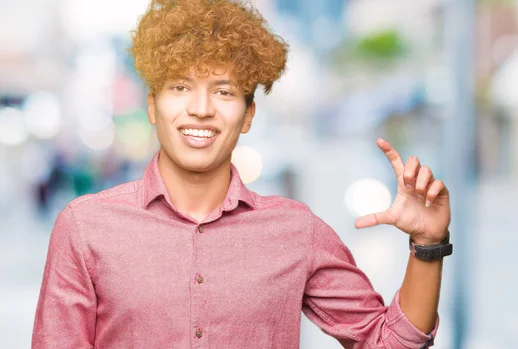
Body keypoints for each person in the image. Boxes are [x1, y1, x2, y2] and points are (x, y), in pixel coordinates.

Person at [32, 0, 452, 348]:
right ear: (150, 105)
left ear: (248, 114)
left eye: (223, 91)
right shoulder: (86, 228)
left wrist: (429, 245)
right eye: (180, 86)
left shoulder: (296, 231)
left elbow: (387, 342)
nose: (201, 108)